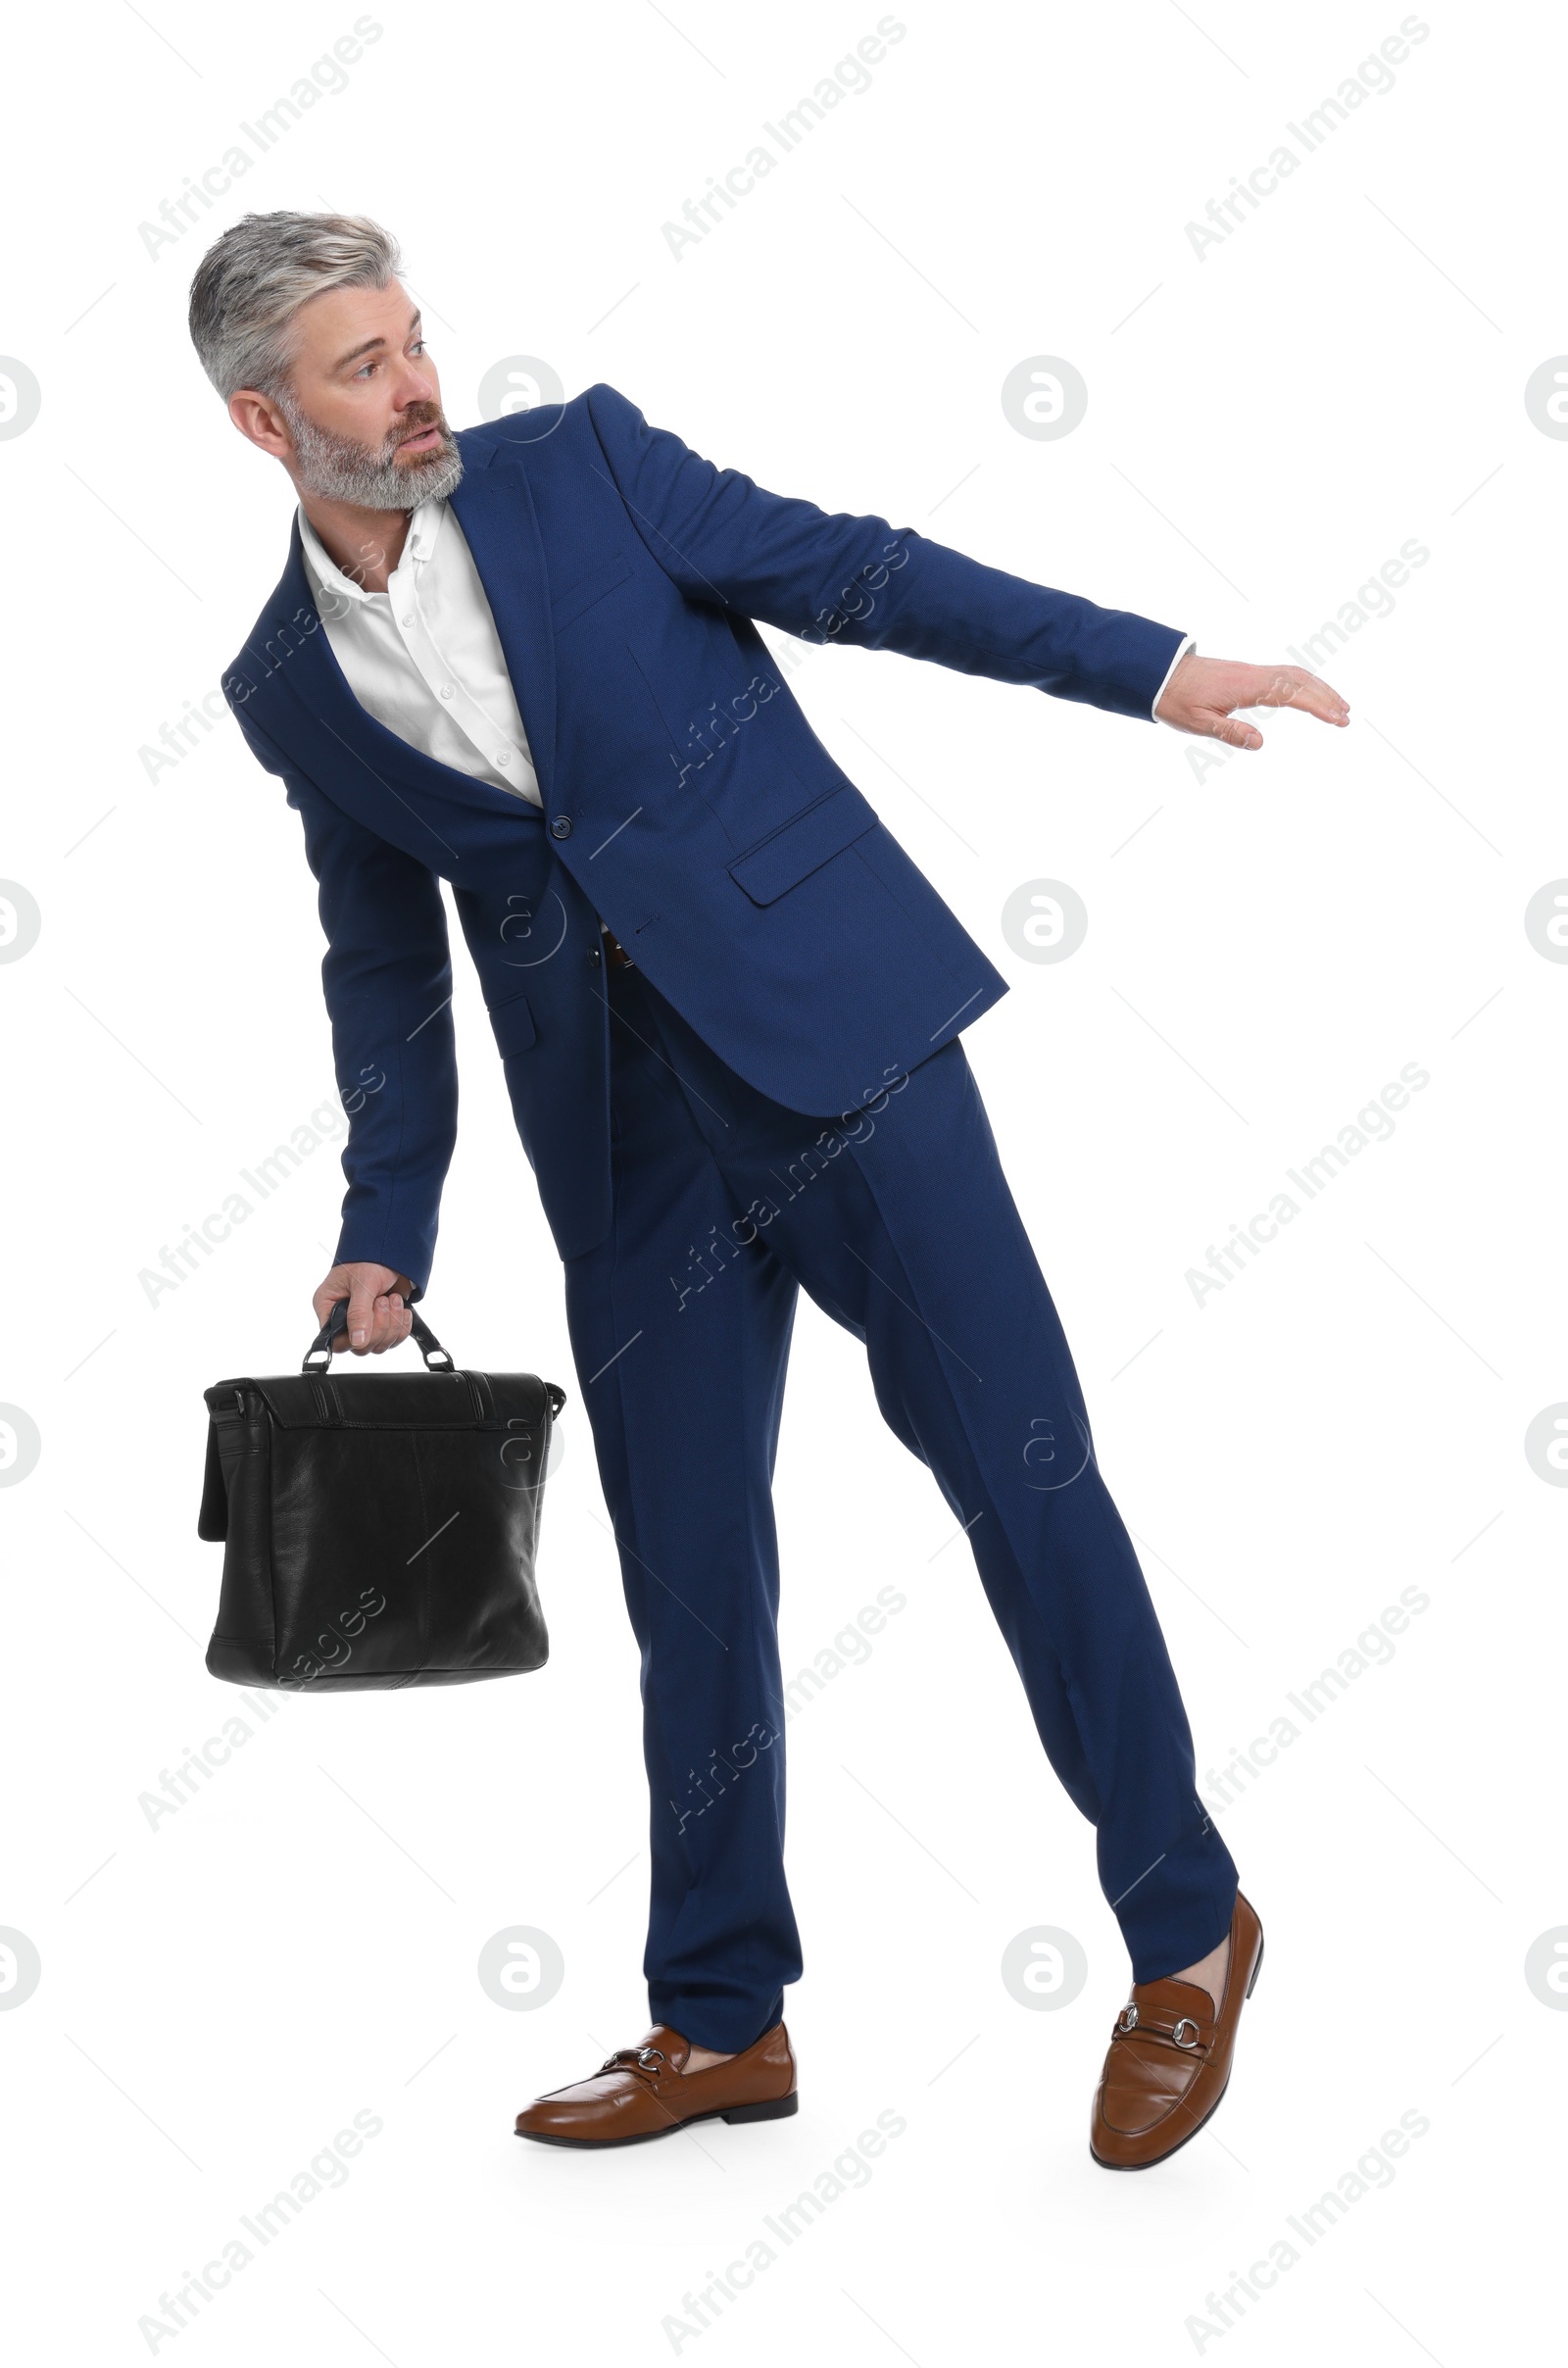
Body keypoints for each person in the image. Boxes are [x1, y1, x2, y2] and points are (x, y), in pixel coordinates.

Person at [192, 211, 1343, 2168]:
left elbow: (854, 573)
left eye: (410, 337)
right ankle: (717, 2015)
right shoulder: (285, 683)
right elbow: (379, 957)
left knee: (1024, 1479)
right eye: (360, 364)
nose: (415, 382)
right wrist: (387, 1220)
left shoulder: (583, 468)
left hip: (843, 1049)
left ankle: (1181, 1927)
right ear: (261, 421)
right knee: (689, 1579)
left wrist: (1142, 668)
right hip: (623, 1152)